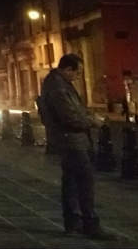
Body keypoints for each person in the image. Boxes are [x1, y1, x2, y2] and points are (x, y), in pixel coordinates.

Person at [39, 53, 108, 239]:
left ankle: (73, 223)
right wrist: (92, 121)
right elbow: (69, 116)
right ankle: (90, 223)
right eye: (77, 73)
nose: (78, 77)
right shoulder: (58, 86)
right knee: (84, 181)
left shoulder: (58, 83)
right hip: (71, 140)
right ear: (68, 69)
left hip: (68, 139)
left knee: (71, 181)